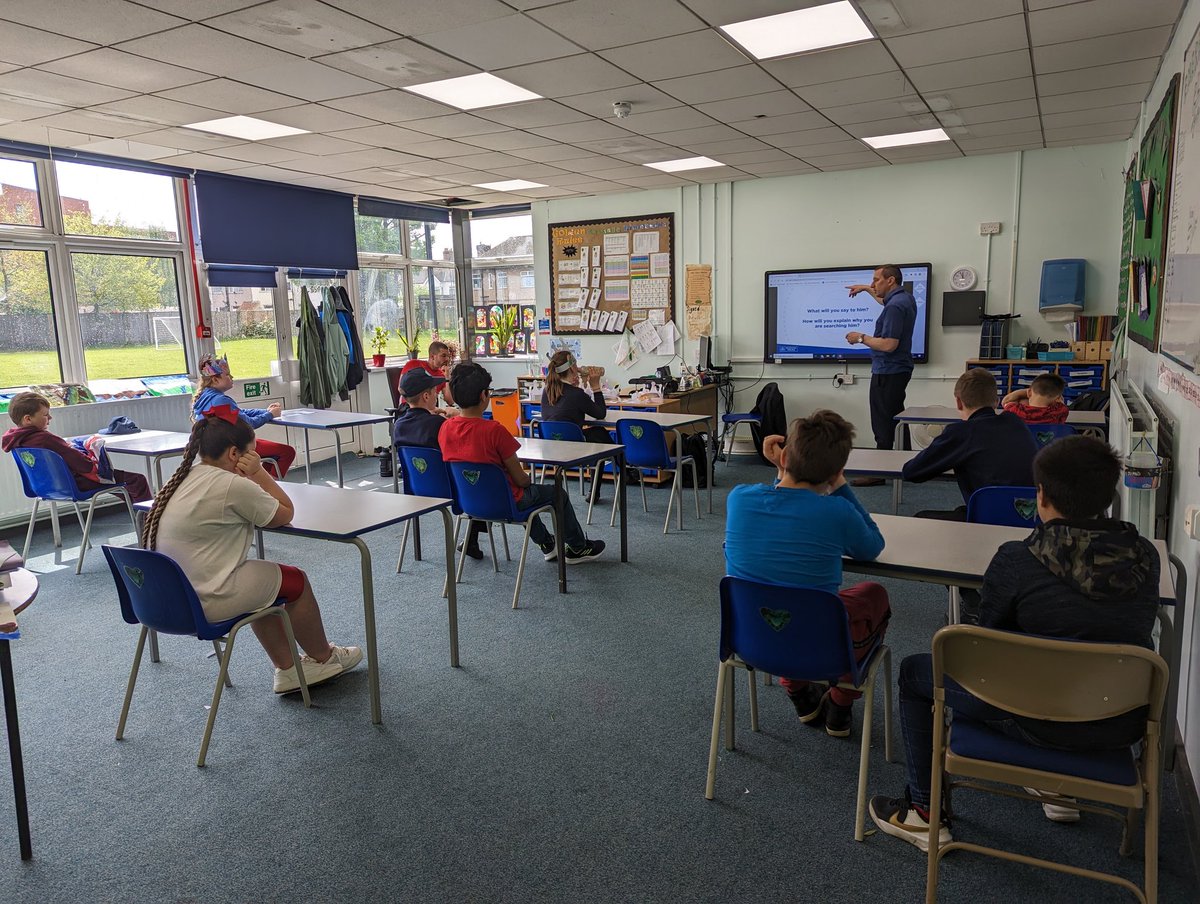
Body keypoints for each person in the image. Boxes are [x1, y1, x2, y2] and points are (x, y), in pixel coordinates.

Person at [869, 435, 1160, 851]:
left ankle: (923, 811)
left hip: (1027, 713)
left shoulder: (1017, 558)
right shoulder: (1147, 559)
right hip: (1116, 723)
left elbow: (986, 646)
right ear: (1108, 497)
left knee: (917, 671)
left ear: (1040, 497)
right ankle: (1055, 786)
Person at [143, 411, 362, 694]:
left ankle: (289, 669)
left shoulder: (183, 477)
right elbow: (285, 513)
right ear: (235, 454)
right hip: (205, 599)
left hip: (165, 602)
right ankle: (324, 657)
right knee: (296, 580)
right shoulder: (232, 484)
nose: (255, 456)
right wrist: (259, 473)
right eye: (252, 452)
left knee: (264, 583)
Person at [725, 410, 890, 738]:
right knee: (874, 595)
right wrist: (840, 485)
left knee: (783, 596)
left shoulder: (738, 499)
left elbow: (780, 508)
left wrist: (781, 473)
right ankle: (840, 704)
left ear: (784, 456)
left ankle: (799, 691)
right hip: (821, 649)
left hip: (750, 642)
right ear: (835, 472)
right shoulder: (836, 511)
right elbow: (872, 545)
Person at [439, 361, 605, 564]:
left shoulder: (445, 428)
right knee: (550, 493)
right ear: (484, 396)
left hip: (470, 503)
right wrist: (526, 481)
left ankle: (547, 544)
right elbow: (520, 478)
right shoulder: (494, 430)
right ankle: (578, 547)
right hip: (507, 502)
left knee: (522, 493)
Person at [901, 368, 1038, 520]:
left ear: (959, 402)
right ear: (997, 401)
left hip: (988, 517)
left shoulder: (962, 432)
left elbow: (911, 472)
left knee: (919, 519)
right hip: (1031, 516)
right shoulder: (1016, 421)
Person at [392, 367, 487, 560]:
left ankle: (472, 540)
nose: (437, 394)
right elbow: (466, 449)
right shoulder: (440, 425)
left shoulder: (398, 426)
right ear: (426, 396)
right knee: (477, 477)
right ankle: (471, 539)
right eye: (435, 391)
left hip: (417, 490)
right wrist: (456, 416)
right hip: (451, 491)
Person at [2, 391, 151, 503]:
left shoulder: (17, 441)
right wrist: (91, 455)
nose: (50, 418)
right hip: (75, 484)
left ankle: (138, 514)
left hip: (46, 487)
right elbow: (84, 465)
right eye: (46, 415)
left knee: (123, 487)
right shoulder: (44, 439)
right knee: (137, 480)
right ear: (28, 419)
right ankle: (150, 525)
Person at [844, 266, 918, 481]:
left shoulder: (895, 307)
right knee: (897, 417)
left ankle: (878, 472)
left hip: (888, 369)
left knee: (882, 422)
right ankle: (906, 464)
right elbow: (884, 301)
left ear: (891, 280)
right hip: (899, 369)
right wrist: (867, 289)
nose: (874, 283)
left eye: (876, 280)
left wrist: (860, 338)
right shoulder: (905, 299)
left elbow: (888, 345)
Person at [193, 354, 296, 477]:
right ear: (215, 380)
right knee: (287, 452)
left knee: (275, 452)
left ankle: (267, 483)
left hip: (217, 447)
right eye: (227, 375)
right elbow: (248, 424)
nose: (232, 377)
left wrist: (266, 412)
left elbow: (241, 413)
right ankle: (269, 488)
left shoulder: (205, 398)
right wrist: (269, 415)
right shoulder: (221, 400)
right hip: (233, 447)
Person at [540, 349, 613, 503]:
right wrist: (595, 386)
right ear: (573, 368)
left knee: (596, 438)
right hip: (574, 451)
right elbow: (600, 413)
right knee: (598, 434)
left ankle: (597, 490)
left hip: (552, 450)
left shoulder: (547, 391)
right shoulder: (576, 394)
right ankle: (624, 466)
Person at [400, 340, 455, 408]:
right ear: (432, 357)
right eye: (443, 356)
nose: (447, 359)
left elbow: (450, 401)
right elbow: (401, 388)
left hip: (430, 410)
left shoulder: (441, 375)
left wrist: (447, 378)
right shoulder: (414, 364)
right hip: (409, 407)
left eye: (448, 356)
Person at [1002, 373, 1070, 424]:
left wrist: (1029, 391)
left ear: (1029, 393)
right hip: (1049, 443)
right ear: (1057, 398)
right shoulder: (1060, 411)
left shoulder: (1015, 410)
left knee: (1023, 401)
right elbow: (1061, 400)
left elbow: (1006, 400)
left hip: (1021, 442)